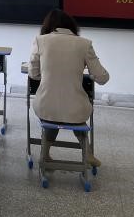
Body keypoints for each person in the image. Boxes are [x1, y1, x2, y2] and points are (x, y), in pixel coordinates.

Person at [29, 9, 109, 168]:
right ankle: (87, 152)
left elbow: (33, 74)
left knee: (52, 115)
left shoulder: (40, 40)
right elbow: (102, 78)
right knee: (75, 114)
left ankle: (45, 154)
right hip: (76, 109)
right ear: (72, 26)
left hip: (45, 106)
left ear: (48, 26)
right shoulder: (85, 44)